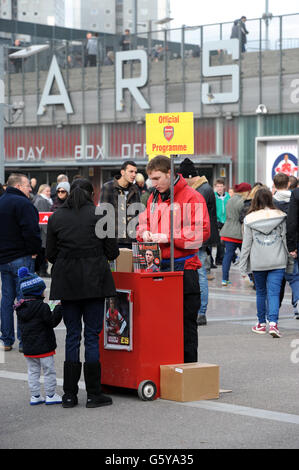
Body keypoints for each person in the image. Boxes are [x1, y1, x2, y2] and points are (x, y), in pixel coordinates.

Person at [46, 178, 119, 408]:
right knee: (92, 336)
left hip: (67, 284)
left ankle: (69, 395)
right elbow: (112, 251)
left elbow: (50, 253)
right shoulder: (100, 215)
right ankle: (94, 394)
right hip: (94, 282)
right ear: (91, 193)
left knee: (72, 335)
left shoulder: (57, 217)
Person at [137, 155, 210, 363]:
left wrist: (169, 238)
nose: (153, 183)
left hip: (184, 267)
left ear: (170, 174)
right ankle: (164, 366)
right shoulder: (153, 197)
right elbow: (143, 222)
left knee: (186, 324)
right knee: (160, 323)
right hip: (158, 267)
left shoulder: (192, 196)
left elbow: (201, 233)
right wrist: (143, 232)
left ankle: (187, 370)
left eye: (157, 178)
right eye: (151, 179)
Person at [239, 188, 289, 338]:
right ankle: (273, 323)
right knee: (274, 293)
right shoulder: (280, 217)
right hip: (278, 260)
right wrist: (290, 258)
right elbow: (285, 239)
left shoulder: (250, 219)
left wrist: (242, 267)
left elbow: (246, 244)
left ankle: (261, 324)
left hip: (258, 261)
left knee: (261, 292)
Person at [0, 173, 41, 352]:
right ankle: (24, 341)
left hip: (4, 259)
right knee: (24, 299)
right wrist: (35, 251)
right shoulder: (24, 204)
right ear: (18, 186)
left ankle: (6, 340)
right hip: (22, 258)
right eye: (27, 186)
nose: (30, 189)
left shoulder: (1, 201)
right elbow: (31, 231)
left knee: (7, 300)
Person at [179, 157, 219, 326]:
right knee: (199, 273)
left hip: (200, 239)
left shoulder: (201, 190)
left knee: (200, 274)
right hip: (200, 238)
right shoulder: (204, 188)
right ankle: (199, 311)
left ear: (188, 176)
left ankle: (201, 312)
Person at [15, 267, 62, 406]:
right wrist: (58, 309)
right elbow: (52, 322)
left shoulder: (21, 308)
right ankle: (51, 394)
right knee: (48, 371)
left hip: (29, 348)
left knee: (33, 371)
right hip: (44, 347)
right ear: (38, 292)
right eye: (42, 290)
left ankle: (35, 395)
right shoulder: (43, 307)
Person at [99, 161, 140, 248]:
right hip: (114, 240)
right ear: (122, 172)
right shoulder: (108, 187)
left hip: (131, 240)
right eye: (131, 171)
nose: (134, 175)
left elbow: (138, 214)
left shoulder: (135, 189)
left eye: (135, 172)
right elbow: (103, 215)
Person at [220, 182, 251, 286]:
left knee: (227, 256)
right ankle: (251, 278)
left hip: (227, 231)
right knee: (248, 256)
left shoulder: (230, 200)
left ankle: (224, 279)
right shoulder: (244, 202)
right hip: (239, 233)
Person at [33, 184, 53, 277]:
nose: (49, 193)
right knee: (43, 252)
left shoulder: (42, 200)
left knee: (42, 251)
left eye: (49, 191)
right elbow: (43, 218)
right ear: (41, 191)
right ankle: (42, 271)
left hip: (42, 230)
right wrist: (47, 232)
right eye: (47, 191)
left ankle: (42, 270)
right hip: (43, 231)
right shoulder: (41, 201)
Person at [214, 178, 230, 265]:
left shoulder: (228, 196)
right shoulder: (214, 196)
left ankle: (224, 258)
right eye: (217, 186)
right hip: (218, 221)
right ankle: (219, 259)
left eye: (221, 186)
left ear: (224, 187)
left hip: (227, 221)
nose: (219, 188)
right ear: (215, 187)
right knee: (219, 242)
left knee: (225, 241)